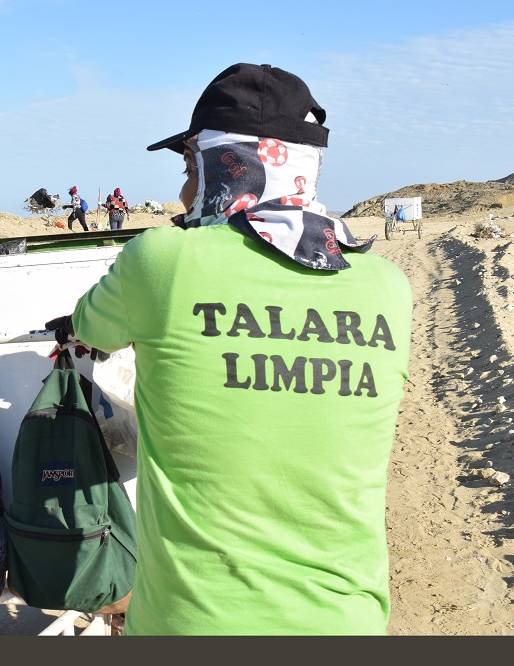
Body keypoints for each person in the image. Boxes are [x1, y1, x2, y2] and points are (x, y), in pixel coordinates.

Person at [46, 63, 412, 635]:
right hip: (348, 621)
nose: (183, 189)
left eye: (190, 165)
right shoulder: (389, 288)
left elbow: (91, 327)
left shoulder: (162, 260)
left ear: (226, 164)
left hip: (194, 624)